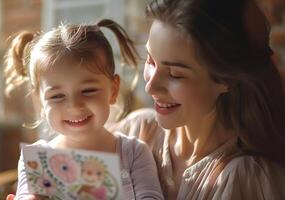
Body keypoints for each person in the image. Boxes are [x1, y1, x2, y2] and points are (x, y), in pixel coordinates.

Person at [112, 0, 285, 199]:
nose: (151, 86)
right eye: (150, 61)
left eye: (175, 74)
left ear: (226, 78)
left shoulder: (247, 179)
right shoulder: (137, 131)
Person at [4, 19, 164, 200]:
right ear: (39, 102)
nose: (74, 106)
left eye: (88, 91)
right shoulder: (36, 160)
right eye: (57, 96)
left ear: (113, 90)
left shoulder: (134, 153)